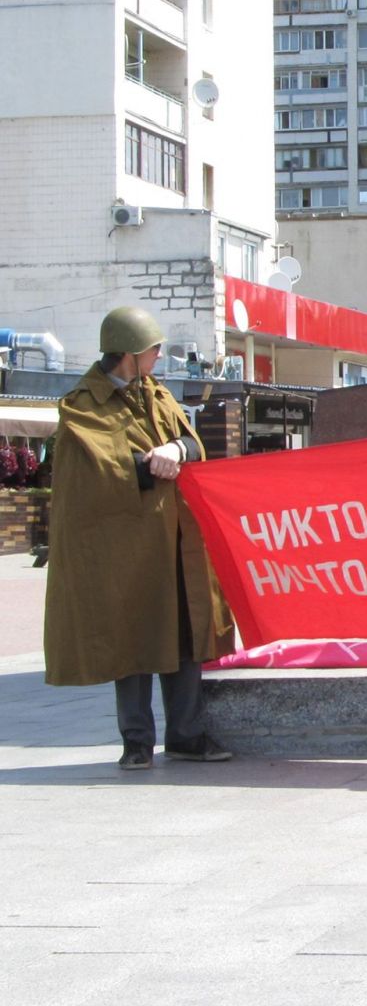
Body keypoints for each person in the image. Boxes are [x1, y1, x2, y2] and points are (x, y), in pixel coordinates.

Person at [44, 306, 234, 770]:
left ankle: (187, 736)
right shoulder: (83, 405)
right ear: (129, 355)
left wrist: (175, 449)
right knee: (132, 639)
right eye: (151, 351)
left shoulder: (158, 394)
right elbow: (99, 471)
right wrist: (151, 466)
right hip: (125, 548)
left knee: (187, 635)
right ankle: (136, 741)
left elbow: (194, 445)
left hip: (174, 540)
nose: (156, 359)